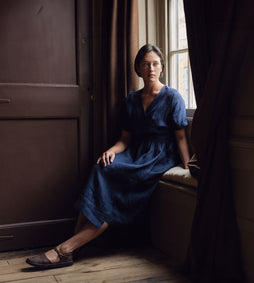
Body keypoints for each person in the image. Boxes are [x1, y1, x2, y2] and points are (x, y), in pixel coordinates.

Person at [26, 44, 190, 269]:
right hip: (134, 152)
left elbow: (180, 137)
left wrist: (187, 165)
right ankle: (70, 248)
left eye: (155, 64)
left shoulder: (173, 97)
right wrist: (110, 151)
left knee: (109, 195)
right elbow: (124, 139)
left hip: (157, 157)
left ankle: (66, 249)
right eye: (145, 64)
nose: (151, 68)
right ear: (138, 69)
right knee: (101, 168)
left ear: (162, 67)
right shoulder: (132, 100)